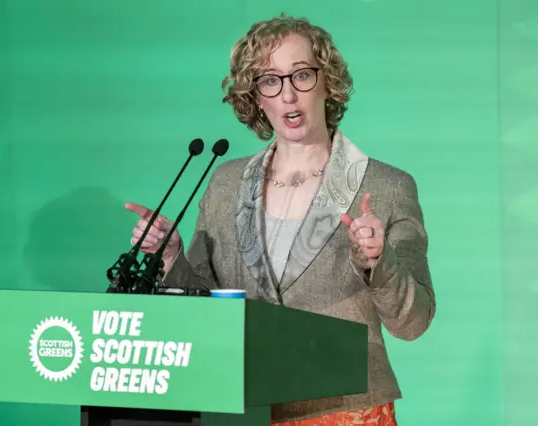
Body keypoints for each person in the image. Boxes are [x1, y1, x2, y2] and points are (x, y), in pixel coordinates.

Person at [125, 13, 436, 426]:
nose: (288, 95)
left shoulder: (385, 185)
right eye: (271, 80)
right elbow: (205, 302)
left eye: (301, 75)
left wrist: (378, 263)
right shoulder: (225, 184)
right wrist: (170, 257)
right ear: (255, 96)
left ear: (328, 81)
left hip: (344, 410)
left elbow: (413, 323)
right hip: (242, 407)